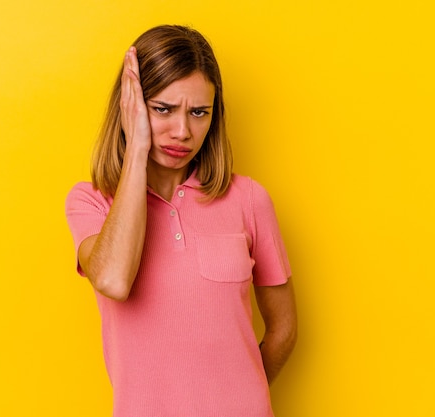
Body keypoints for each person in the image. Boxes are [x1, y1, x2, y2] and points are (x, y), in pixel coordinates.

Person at [65, 24, 297, 417]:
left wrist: (238, 397)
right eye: (163, 109)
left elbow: (283, 330)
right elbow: (113, 280)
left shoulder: (250, 200)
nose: (182, 132)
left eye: (198, 113)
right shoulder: (91, 202)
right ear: (129, 109)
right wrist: (137, 148)